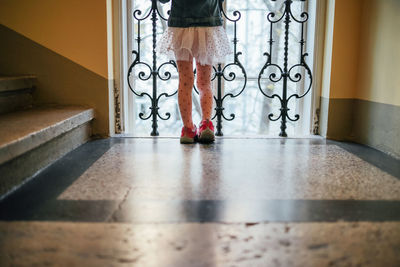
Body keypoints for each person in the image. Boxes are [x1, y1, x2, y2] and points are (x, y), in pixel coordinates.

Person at [157, 0, 232, 144]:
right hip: (208, 25)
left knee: (185, 81)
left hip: (181, 25)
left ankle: (188, 129)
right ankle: (206, 125)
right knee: (205, 82)